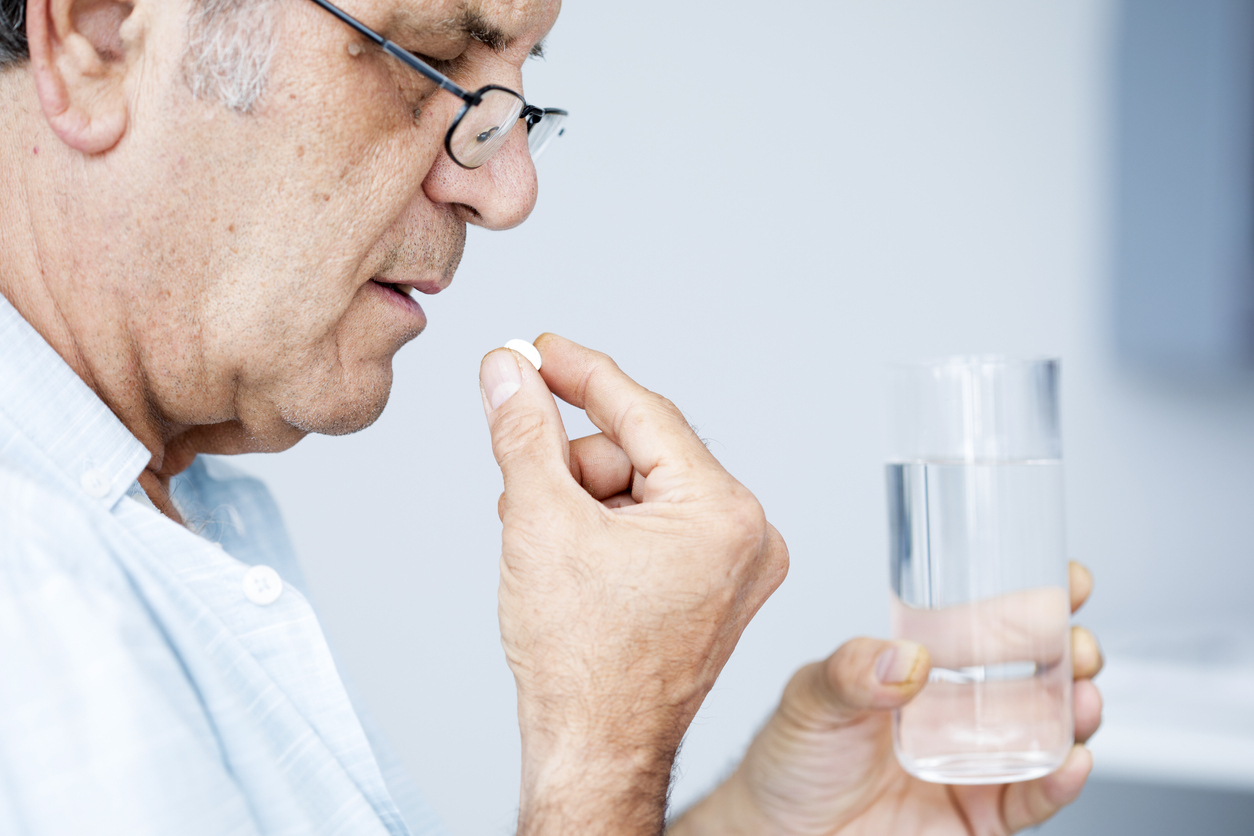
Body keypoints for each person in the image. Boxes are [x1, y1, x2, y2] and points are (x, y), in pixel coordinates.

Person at [0, 0, 1105, 833]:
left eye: (517, 96)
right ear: (97, 35)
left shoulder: (185, 516)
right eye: (429, 57)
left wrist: (763, 823)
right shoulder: (28, 585)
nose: (508, 189)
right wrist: (601, 752)